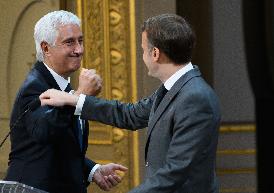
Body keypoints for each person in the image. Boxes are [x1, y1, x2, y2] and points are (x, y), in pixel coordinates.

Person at [40, 13, 221, 193]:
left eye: (143, 50)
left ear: (155, 53)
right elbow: (130, 115)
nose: (143, 56)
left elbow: (175, 172)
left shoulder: (195, 97)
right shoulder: (175, 88)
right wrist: (74, 99)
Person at [4, 10, 127, 193]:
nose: (79, 50)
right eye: (69, 42)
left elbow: (58, 147)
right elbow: (46, 132)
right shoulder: (35, 87)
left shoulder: (64, 86)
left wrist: (93, 170)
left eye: (80, 41)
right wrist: (78, 97)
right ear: (46, 48)